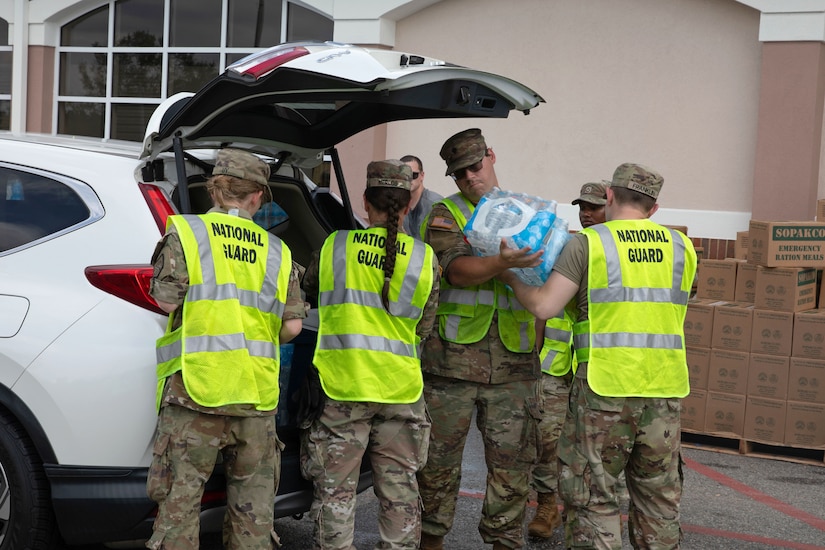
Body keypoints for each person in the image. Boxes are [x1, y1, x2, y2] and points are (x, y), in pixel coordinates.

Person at [499, 163, 697, 550]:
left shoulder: (589, 244)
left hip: (604, 392)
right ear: (654, 208)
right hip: (664, 392)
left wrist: (509, 275)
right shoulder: (682, 247)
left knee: (593, 498)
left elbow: (543, 306)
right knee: (659, 502)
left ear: (609, 197)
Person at [146, 147, 306, 549]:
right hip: (255, 398)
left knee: (179, 512)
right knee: (253, 520)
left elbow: (166, 301)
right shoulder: (278, 251)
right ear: (257, 197)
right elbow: (292, 327)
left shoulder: (186, 231)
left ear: (215, 190)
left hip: (196, 393)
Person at [300, 159, 440, 550]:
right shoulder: (425, 259)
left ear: (365, 201)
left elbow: (308, 291)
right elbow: (424, 329)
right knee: (400, 494)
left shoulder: (335, 247)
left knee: (336, 494)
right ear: (408, 204)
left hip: (343, 386)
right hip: (401, 392)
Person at [417, 128, 543, 550]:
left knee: (512, 468)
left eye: (475, 166)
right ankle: (430, 540)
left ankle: (505, 541)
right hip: (451, 362)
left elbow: (545, 284)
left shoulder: (528, 212)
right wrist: (502, 262)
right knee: (437, 465)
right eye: (459, 173)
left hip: (515, 363)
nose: (470, 177)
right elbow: (455, 271)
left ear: (491, 156)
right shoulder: (444, 214)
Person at [527, 179, 608, 538]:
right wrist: (535, 350)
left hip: (599, 370)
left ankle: (584, 514)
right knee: (545, 438)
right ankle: (547, 505)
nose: (586, 214)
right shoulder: (568, 247)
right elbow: (545, 305)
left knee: (594, 449)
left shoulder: (614, 256)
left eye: (594, 207)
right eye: (582, 207)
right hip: (557, 364)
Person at [400, 154, 443, 239]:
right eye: (404, 175)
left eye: (413, 175)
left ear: (422, 176)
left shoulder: (436, 204)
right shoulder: (397, 204)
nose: (408, 179)